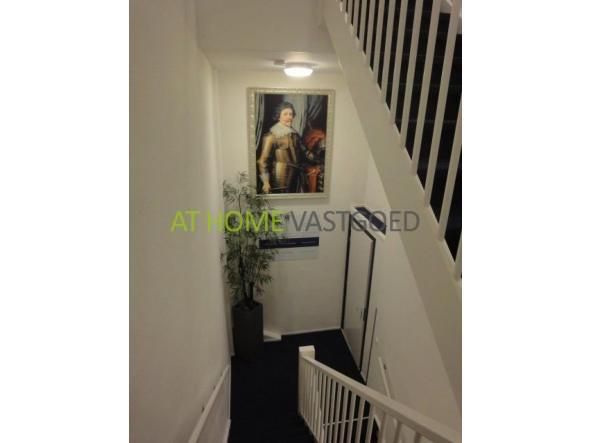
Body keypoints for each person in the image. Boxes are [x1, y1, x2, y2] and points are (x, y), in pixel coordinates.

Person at [257, 102, 306, 194]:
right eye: (285, 114)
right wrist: (266, 182)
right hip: (279, 180)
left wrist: (320, 160)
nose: (289, 117)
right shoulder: (271, 136)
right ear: (278, 116)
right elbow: (262, 161)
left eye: (291, 114)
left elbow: (305, 152)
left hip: (296, 179)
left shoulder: (295, 135)